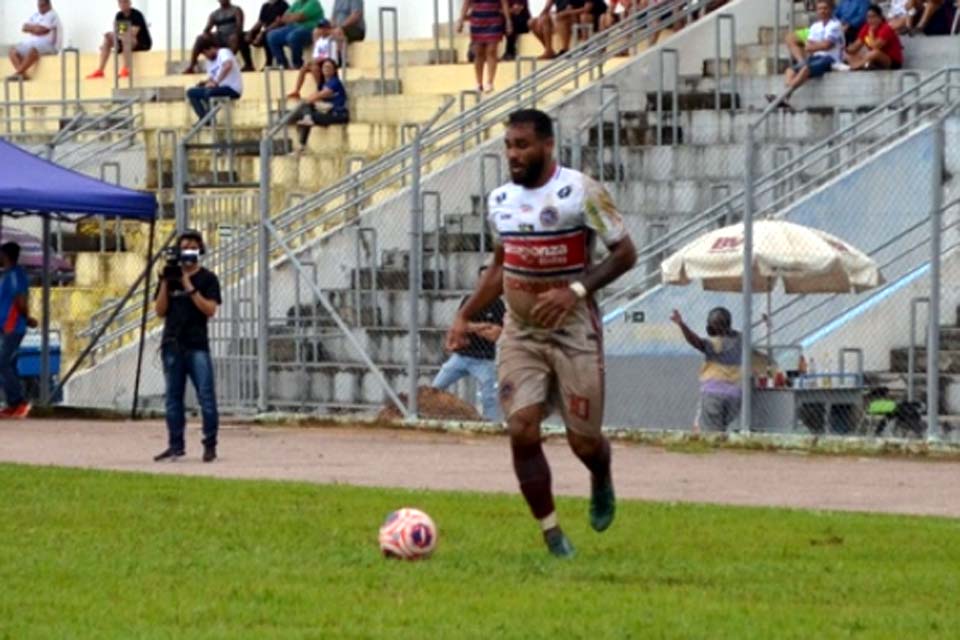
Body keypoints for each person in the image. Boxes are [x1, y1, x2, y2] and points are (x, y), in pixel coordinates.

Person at [445, 109, 637, 558]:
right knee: (521, 428)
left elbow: (626, 254)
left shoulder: (580, 191)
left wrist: (575, 290)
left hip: (573, 331)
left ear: (548, 146)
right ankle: (551, 534)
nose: (513, 154)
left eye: (522, 145)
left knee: (583, 441)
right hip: (521, 333)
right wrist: (464, 315)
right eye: (508, 146)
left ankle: (600, 473)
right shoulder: (500, 201)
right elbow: (500, 267)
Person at [153, 230, 222, 463]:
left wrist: (188, 284)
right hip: (172, 343)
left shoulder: (208, 278)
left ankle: (210, 444)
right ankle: (175, 445)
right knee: (173, 398)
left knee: (206, 396)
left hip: (196, 344)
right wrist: (166, 282)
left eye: (193, 248)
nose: (188, 252)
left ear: (200, 250)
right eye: (184, 248)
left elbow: (210, 309)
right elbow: (160, 310)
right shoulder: (170, 277)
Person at [433, 267, 506, 421]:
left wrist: (471, 327)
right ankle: (427, 416)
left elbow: (495, 335)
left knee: (489, 396)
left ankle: (491, 424)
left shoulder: (498, 304)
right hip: (461, 356)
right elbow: (460, 326)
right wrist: (483, 326)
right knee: (436, 386)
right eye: (483, 279)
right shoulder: (469, 301)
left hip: (484, 359)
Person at [670, 308, 742, 433]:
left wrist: (681, 324)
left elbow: (694, 341)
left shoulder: (713, 343)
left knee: (710, 434)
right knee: (726, 433)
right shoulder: (739, 341)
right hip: (735, 395)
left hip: (713, 393)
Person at [767, 0, 844, 111]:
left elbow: (827, 45)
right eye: (820, 8)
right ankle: (785, 97)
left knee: (805, 69)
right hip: (816, 57)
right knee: (790, 71)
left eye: (825, 8)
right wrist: (819, 45)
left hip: (830, 59)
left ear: (831, 9)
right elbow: (809, 46)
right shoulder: (815, 26)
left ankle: (782, 96)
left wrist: (817, 45)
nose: (823, 11)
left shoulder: (835, 25)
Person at [0, 242, 38, 419]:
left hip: (12, 326)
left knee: (3, 363)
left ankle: (19, 401)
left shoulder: (15, 274)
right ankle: (13, 404)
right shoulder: (7, 275)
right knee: (9, 364)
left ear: (5, 255)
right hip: (6, 326)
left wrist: (27, 318)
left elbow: (19, 299)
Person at [86, 0, 152, 80]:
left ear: (130, 3)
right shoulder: (119, 15)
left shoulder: (137, 14)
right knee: (107, 39)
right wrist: (112, 35)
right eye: (120, 2)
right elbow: (118, 31)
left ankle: (126, 69)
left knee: (126, 38)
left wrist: (119, 31)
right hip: (125, 41)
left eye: (125, 2)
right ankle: (100, 70)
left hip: (142, 43)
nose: (123, 4)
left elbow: (133, 32)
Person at [290, 58, 349, 149]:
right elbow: (308, 67)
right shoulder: (323, 83)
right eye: (324, 67)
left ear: (334, 70)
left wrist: (306, 101)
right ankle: (301, 144)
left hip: (338, 114)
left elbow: (318, 96)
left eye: (329, 67)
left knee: (306, 110)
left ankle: (301, 144)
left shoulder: (335, 82)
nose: (326, 69)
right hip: (328, 112)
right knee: (306, 114)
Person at [457, 0, 513, 94]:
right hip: (477, 21)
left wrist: (508, 21)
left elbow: (504, 3)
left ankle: (490, 82)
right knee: (478, 52)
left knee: (492, 51)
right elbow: (466, 3)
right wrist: (461, 20)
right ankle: (479, 83)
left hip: (494, 20)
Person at [185, 0, 253, 74]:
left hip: (234, 36)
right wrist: (206, 37)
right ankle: (192, 66)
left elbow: (240, 26)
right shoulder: (215, 14)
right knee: (200, 38)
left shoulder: (236, 10)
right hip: (220, 37)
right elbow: (207, 29)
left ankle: (229, 63)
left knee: (238, 37)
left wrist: (235, 34)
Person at [186, 36, 243, 120]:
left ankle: (208, 118)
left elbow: (228, 66)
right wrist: (204, 83)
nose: (206, 56)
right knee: (191, 92)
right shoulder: (209, 62)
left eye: (205, 53)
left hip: (232, 89)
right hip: (218, 88)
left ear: (211, 48)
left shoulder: (223, 52)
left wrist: (216, 82)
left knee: (209, 92)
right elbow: (212, 79)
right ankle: (205, 118)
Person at [7, 0, 61, 81]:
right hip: (32, 44)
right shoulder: (35, 15)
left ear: (48, 5)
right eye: (39, 6)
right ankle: (22, 74)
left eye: (42, 6)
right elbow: (24, 27)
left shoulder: (52, 15)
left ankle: (18, 73)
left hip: (49, 46)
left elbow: (42, 30)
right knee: (12, 51)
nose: (40, 8)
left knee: (33, 50)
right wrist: (35, 28)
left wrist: (32, 28)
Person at [287, 20, 338, 100]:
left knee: (314, 68)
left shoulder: (332, 41)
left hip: (329, 62)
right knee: (304, 67)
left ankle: (320, 88)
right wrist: (312, 62)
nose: (322, 30)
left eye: (324, 28)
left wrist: (315, 61)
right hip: (319, 61)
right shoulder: (319, 41)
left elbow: (330, 56)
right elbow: (316, 55)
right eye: (320, 28)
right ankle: (297, 90)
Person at [267, 0, 326, 70]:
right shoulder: (296, 3)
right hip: (294, 28)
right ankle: (282, 65)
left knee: (293, 36)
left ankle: (297, 64)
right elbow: (284, 17)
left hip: (310, 29)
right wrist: (294, 17)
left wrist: (292, 17)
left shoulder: (313, 3)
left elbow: (300, 17)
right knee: (272, 36)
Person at [846, 5, 904, 70]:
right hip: (873, 59)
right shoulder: (866, 27)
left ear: (880, 17)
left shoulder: (886, 28)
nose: (870, 20)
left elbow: (875, 46)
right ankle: (865, 65)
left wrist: (871, 33)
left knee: (874, 53)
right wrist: (845, 50)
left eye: (873, 17)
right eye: (868, 17)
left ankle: (856, 66)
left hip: (892, 62)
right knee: (849, 54)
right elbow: (856, 46)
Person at [244, 0, 290, 69]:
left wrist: (262, 33)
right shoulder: (265, 6)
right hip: (266, 30)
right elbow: (260, 21)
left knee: (268, 35)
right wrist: (250, 32)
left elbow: (279, 22)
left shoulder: (283, 4)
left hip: (278, 30)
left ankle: (269, 63)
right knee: (243, 36)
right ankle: (249, 64)